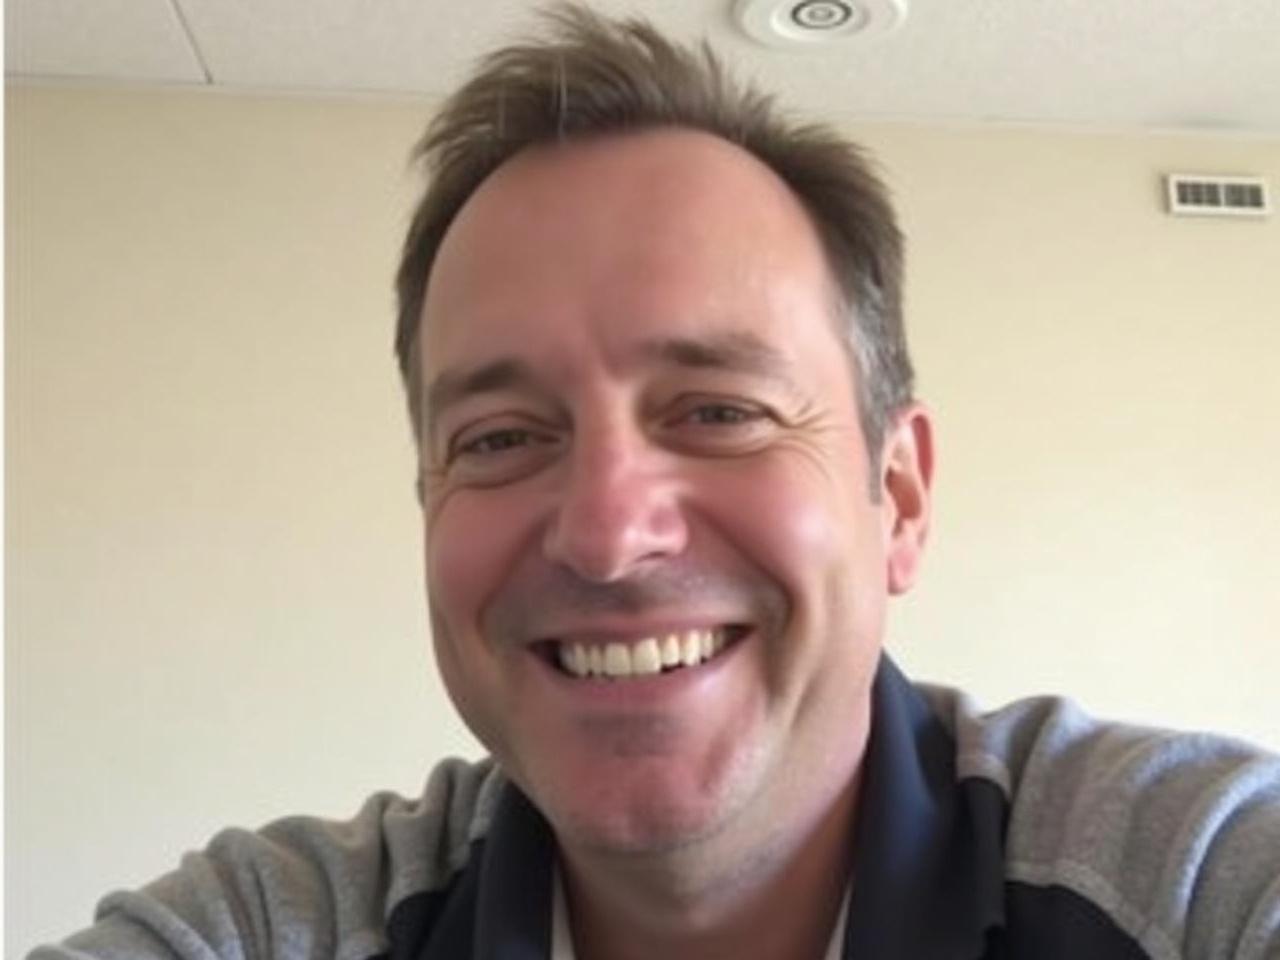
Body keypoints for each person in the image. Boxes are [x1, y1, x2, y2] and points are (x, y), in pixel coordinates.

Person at [32, 6, 1280, 960]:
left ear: (894, 496)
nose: (607, 533)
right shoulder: (288, 922)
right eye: (502, 436)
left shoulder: (1186, 879)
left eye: (719, 412)